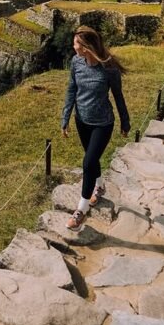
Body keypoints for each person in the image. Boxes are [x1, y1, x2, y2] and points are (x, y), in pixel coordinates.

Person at [61, 25, 131, 229]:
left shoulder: (109, 68)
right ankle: (99, 187)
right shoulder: (76, 62)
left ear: (86, 46)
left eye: (76, 44)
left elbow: (118, 96)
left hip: (103, 123)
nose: (73, 47)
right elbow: (71, 89)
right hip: (81, 120)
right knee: (92, 162)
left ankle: (80, 210)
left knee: (88, 162)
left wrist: (125, 121)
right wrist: (65, 117)